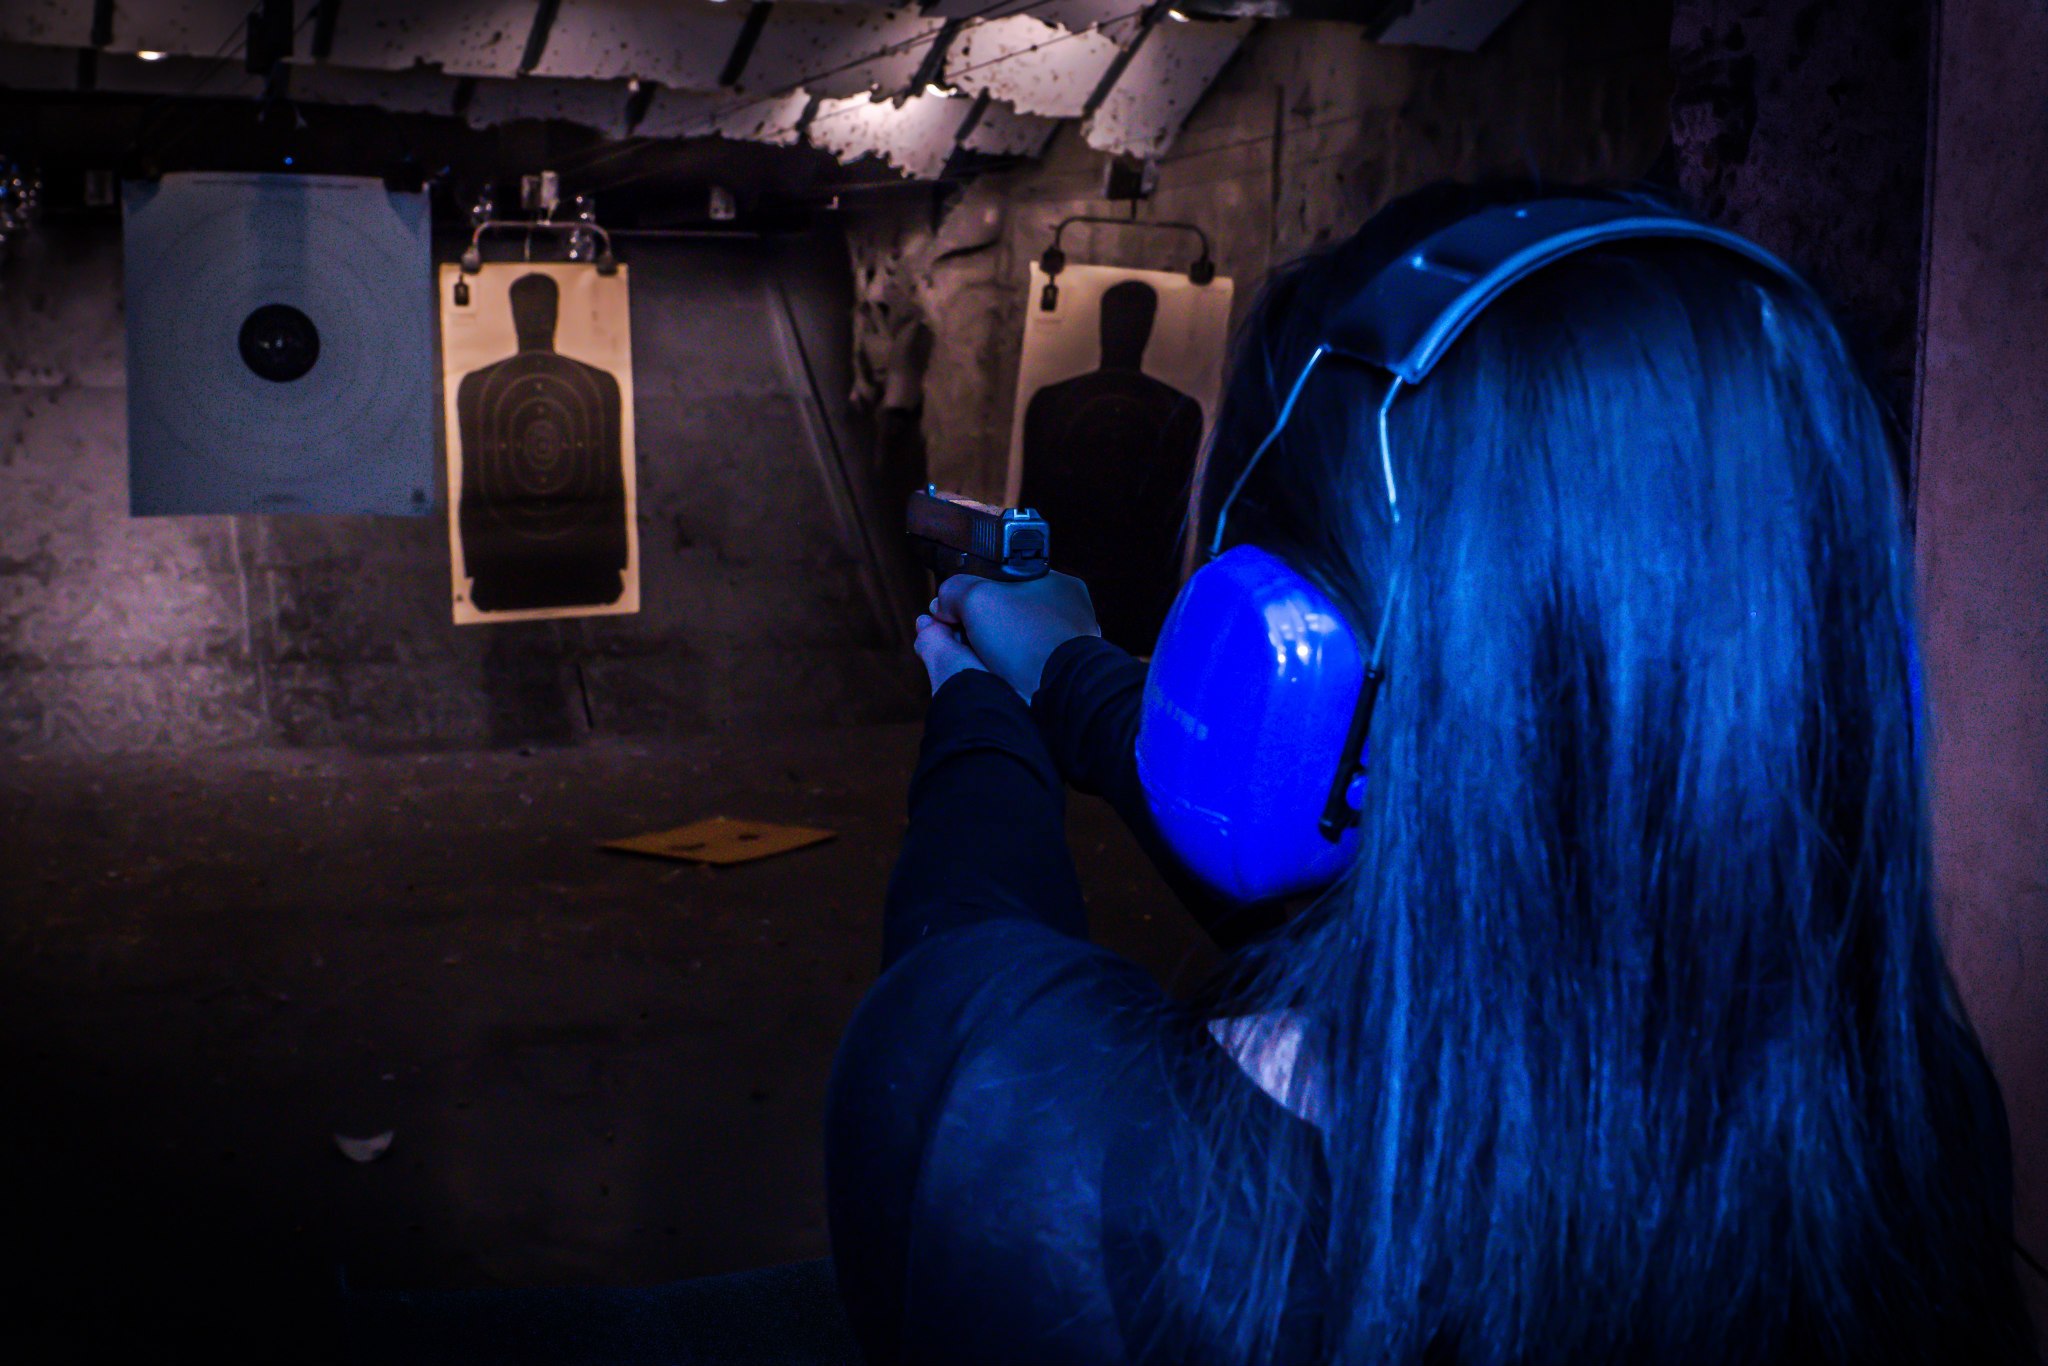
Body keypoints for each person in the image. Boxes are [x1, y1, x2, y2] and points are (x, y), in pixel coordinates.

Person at [824, 182, 2043, 1365]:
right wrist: (1065, 669)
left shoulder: (1043, 1149)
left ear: (1279, 661)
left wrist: (973, 703)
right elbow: (1439, 843)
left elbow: (963, 955)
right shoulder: (1924, 1127)